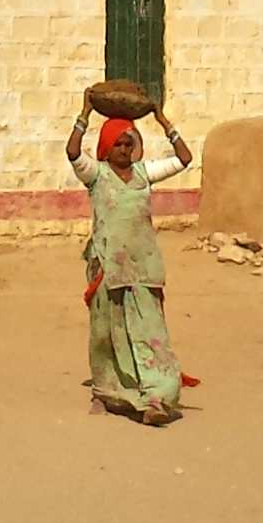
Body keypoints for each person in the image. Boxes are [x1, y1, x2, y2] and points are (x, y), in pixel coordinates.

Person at [67, 100, 191, 424]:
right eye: (117, 143)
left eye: (128, 143)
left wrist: (162, 120)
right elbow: (73, 153)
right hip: (108, 269)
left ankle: (157, 396)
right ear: (106, 148)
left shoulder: (143, 174)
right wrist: (85, 113)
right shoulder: (97, 175)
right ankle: (107, 392)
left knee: (152, 333)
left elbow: (184, 159)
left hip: (143, 268)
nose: (123, 149)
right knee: (106, 335)